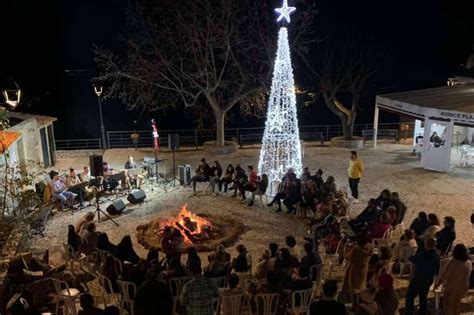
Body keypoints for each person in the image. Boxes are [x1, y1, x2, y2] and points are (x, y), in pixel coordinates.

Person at [405, 237, 440, 315]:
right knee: (423, 297)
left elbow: (413, 259)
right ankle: (422, 312)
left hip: (418, 279)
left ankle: (409, 312)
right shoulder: (437, 256)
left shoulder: (423, 255)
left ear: (426, 244)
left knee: (410, 296)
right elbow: (437, 270)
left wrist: (411, 255)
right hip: (428, 280)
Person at [435, 244, 472, 315]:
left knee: (448, 306)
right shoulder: (468, 263)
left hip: (452, 287)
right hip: (463, 287)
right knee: (456, 305)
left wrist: (438, 284)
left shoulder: (453, 262)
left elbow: (445, 275)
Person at [342, 234, 373, 309]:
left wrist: (346, 248)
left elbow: (347, 257)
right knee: (361, 286)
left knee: (353, 289)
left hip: (354, 270)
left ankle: (355, 305)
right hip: (364, 268)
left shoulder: (356, 250)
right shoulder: (370, 246)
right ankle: (360, 304)